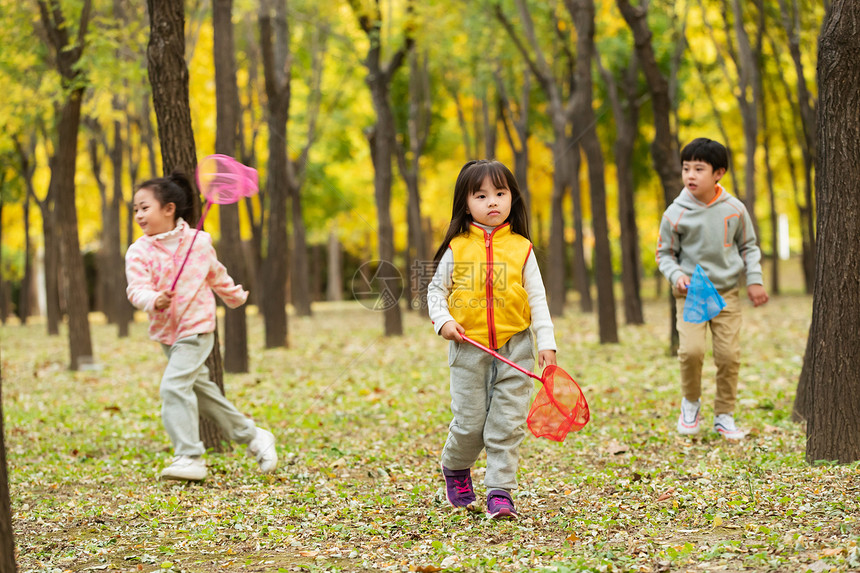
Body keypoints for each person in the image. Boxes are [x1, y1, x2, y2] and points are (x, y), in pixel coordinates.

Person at [125, 172, 277, 481]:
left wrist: (234, 295)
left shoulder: (198, 242)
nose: (139, 215)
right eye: (136, 209)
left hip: (196, 327)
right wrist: (154, 299)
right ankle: (254, 435)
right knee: (203, 392)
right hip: (167, 332)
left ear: (169, 208)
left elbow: (216, 274)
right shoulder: (138, 251)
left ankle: (189, 456)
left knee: (172, 387)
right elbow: (136, 289)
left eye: (145, 207)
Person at [427, 160, 557, 519]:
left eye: (500, 193)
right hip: (468, 348)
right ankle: (455, 465)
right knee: (470, 424)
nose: (493, 202)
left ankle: (500, 492)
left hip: (516, 347)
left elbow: (538, 299)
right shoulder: (456, 247)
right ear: (465, 202)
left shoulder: (522, 248)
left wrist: (546, 341)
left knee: (506, 423)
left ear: (512, 198)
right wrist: (444, 322)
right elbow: (435, 292)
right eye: (481, 195)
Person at [656, 138, 769, 441]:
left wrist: (755, 280)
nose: (690, 175)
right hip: (691, 293)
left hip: (726, 293)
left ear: (718, 173)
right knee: (691, 351)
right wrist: (676, 275)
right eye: (686, 168)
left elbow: (749, 246)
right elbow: (664, 254)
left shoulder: (734, 209)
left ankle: (724, 415)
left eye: (699, 169)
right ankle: (690, 404)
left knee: (729, 355)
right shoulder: (674, 213)